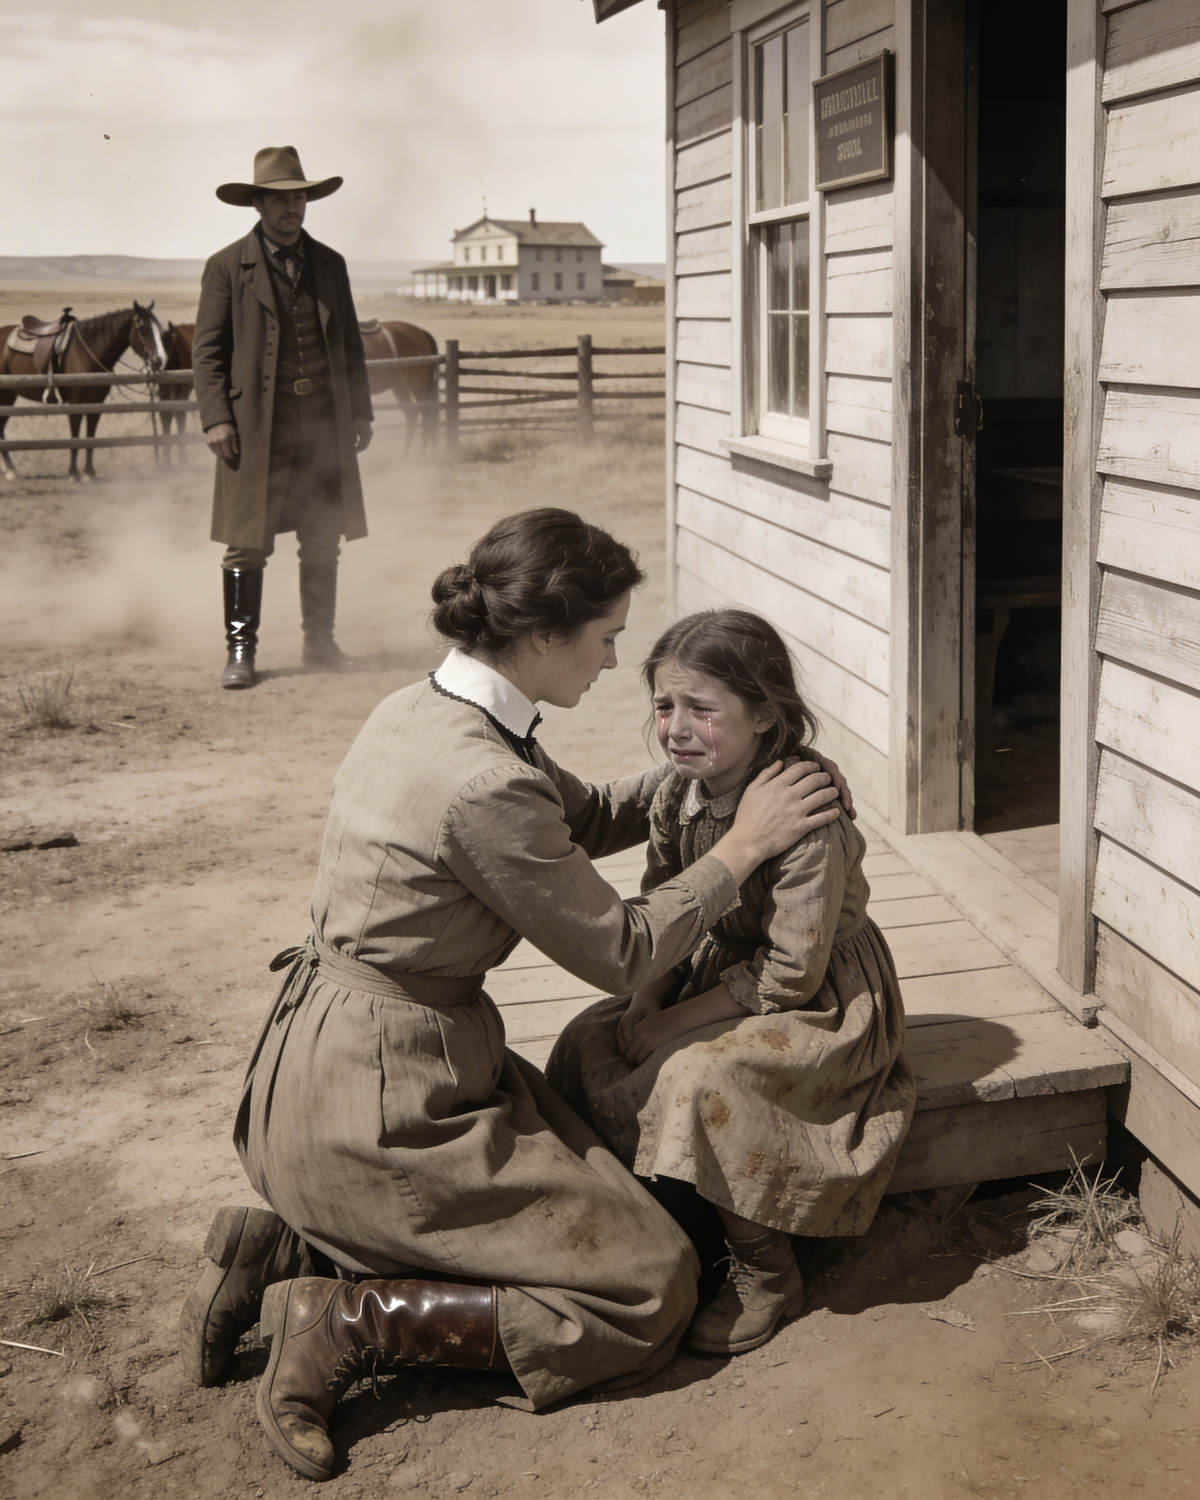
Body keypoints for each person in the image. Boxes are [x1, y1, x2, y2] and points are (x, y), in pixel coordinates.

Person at [179, 510, 851, 1482]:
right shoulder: (482, 779)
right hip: (382, 1101)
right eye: (607, 636)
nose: (616, 660)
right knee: (648, 1287)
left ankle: (290, 1247)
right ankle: (349, 1317)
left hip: (343, 1060)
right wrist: (743, 844)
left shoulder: (431, 709)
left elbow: (580, 815)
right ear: (544, 637)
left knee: (598, 1175)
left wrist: (711, 769)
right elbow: (623, 952)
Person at [546, 609, 917, 1357]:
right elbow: (668, 903)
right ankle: (644, 1214)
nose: (677, 728)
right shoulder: (675, 794)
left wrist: (676, 1023)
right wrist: (650, 993)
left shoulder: (804, 814)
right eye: (664, 706)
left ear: (766, 713)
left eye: (702, 709)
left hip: (821, 1001)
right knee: (591, 1035)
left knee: (698, 1075)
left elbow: (790, 971)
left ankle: (765, 1272)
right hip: (718, 967)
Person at [193, 145, 374, 690]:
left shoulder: (330, 264)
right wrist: (216, 418)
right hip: (253, 426)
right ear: (258, 204)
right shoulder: (227, 266)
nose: (291, 207)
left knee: (323, 534)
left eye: (298, 197)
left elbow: (348, 348)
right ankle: (241, 652)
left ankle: (320, 643)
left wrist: (361, 410)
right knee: (248, 540)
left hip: (323, 422)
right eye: (280, 199)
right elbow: (207, 351)